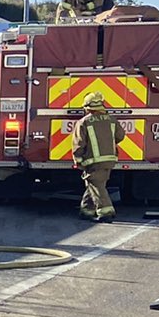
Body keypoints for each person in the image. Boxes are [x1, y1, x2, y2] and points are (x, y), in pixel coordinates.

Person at [69, 92, 119, 222]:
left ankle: (106, 211)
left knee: (96, 185)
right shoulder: (112, 120)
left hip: (93, 161)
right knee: (95, 182)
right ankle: (86, 210)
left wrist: (78, 160)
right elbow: (120, 136)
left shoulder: (83, 122)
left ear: (87, 107)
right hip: (109, 159)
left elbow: (79, 143)